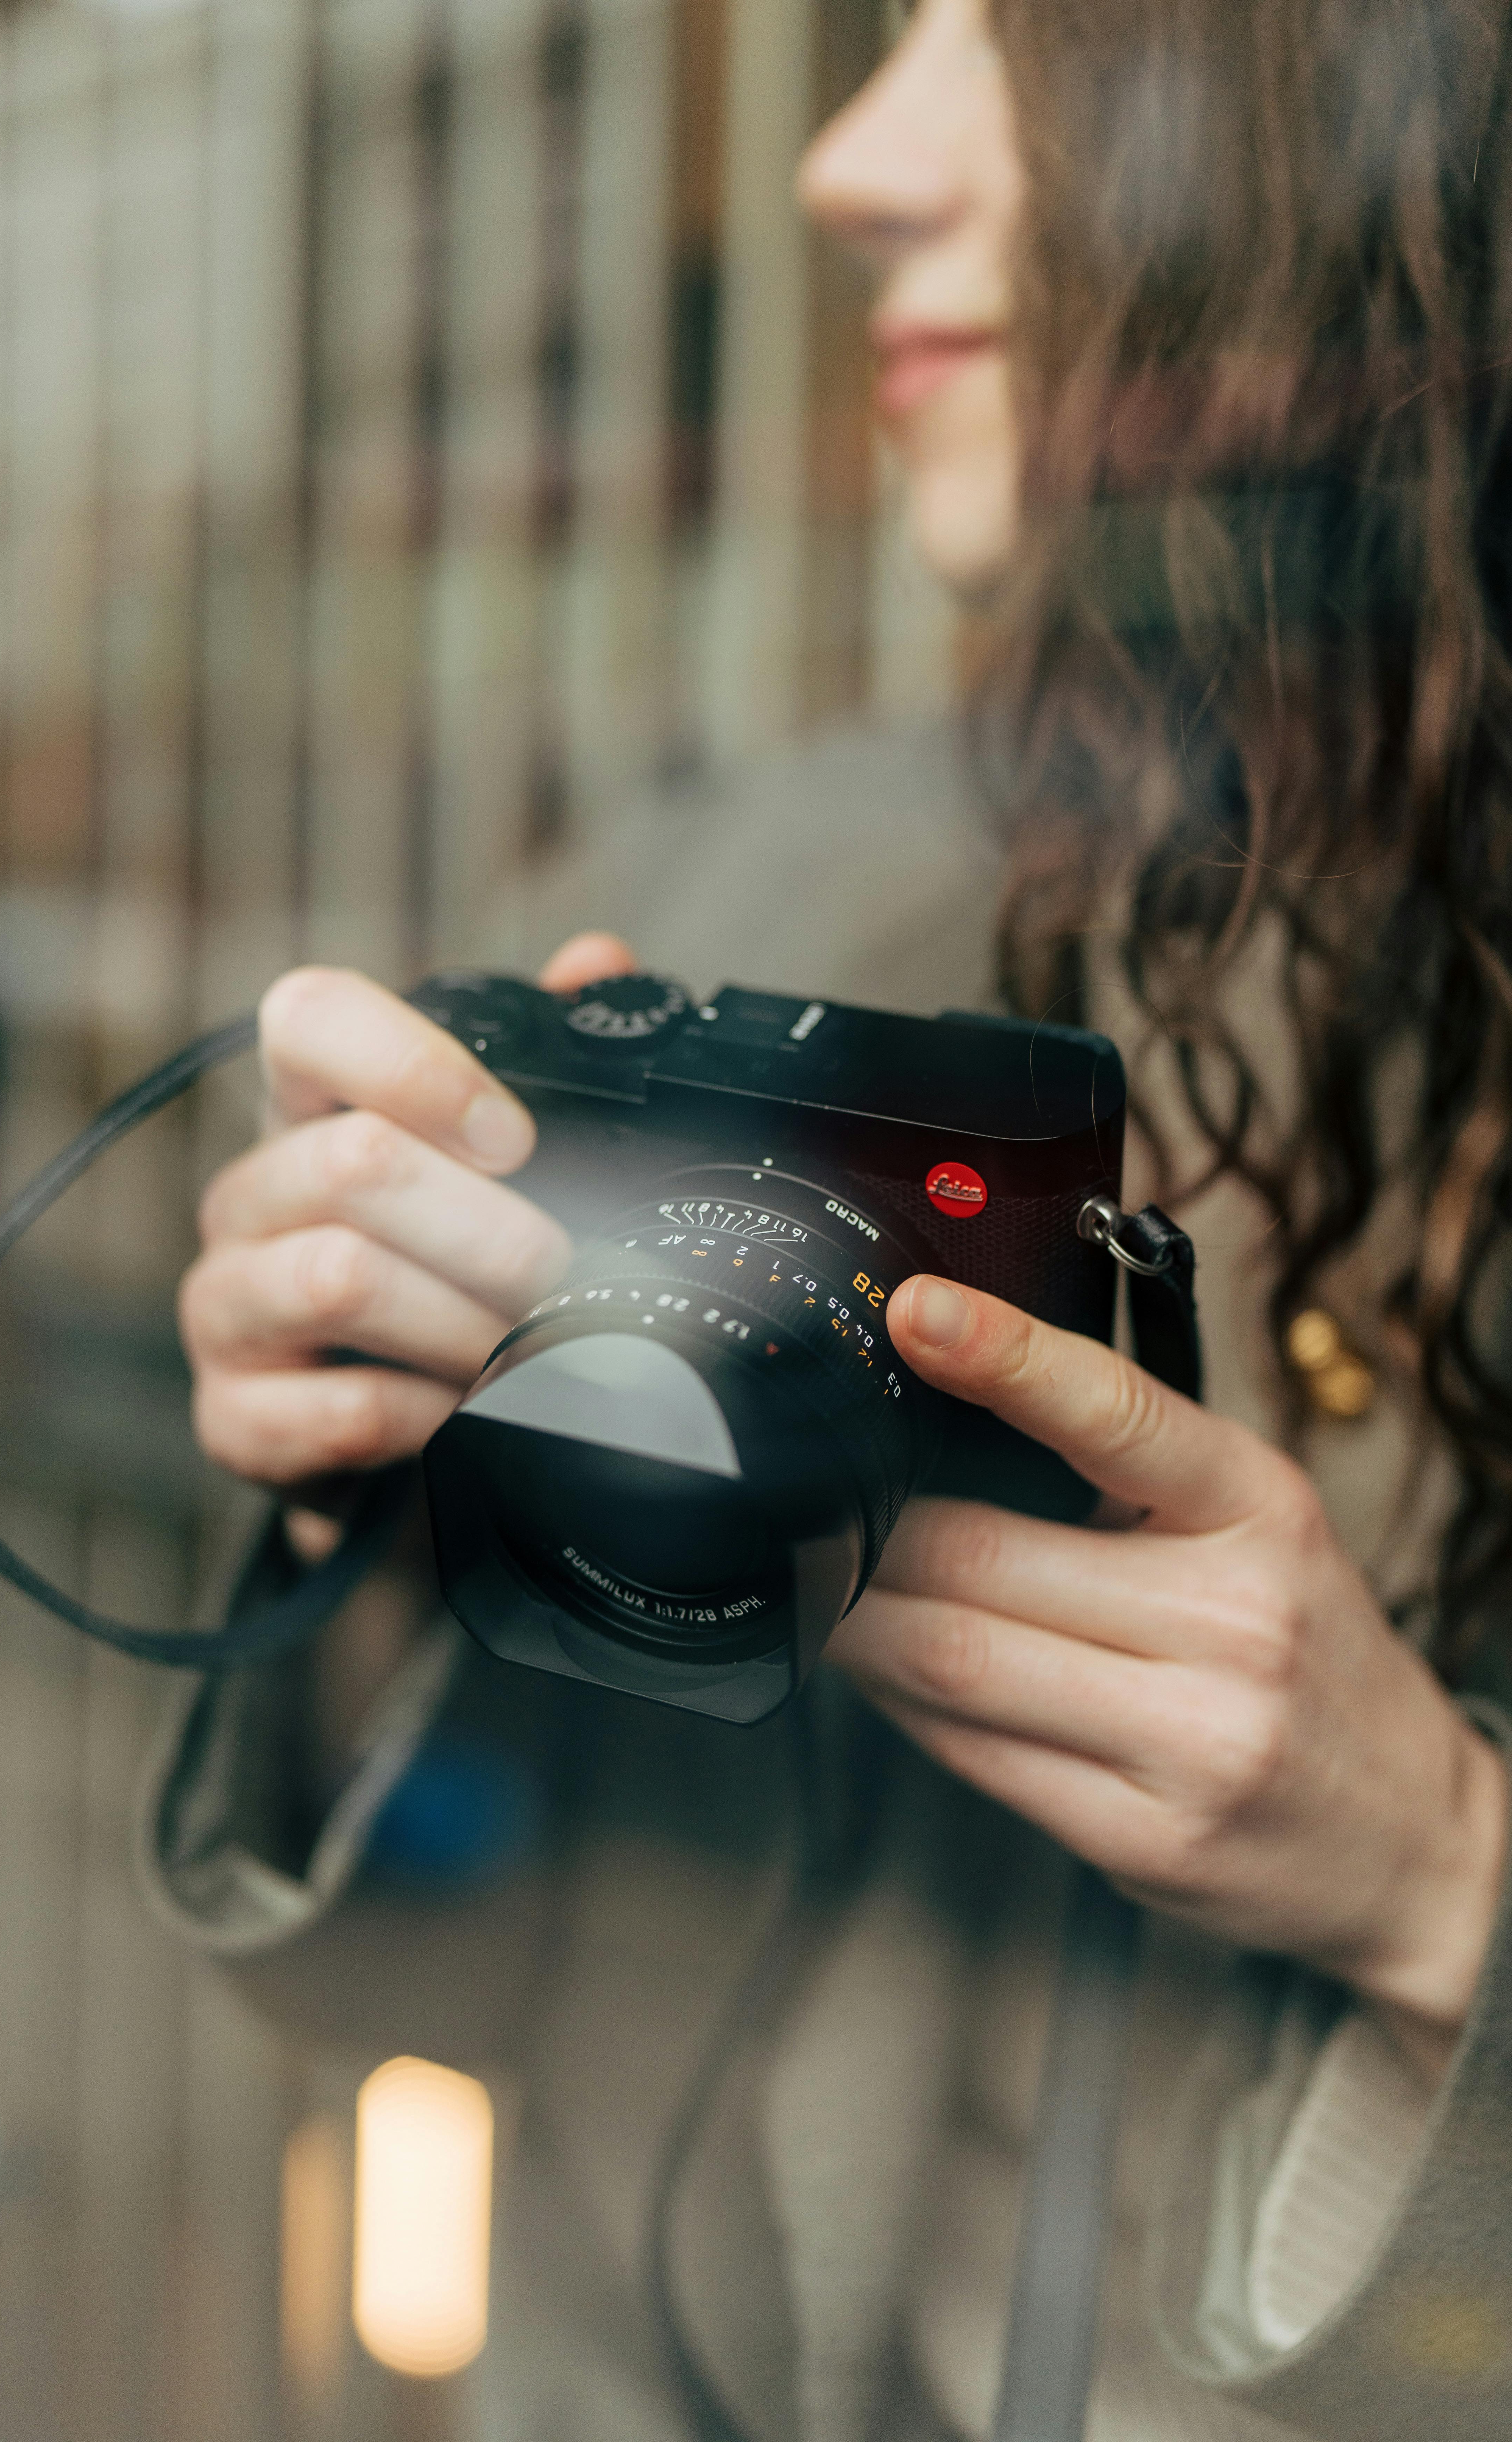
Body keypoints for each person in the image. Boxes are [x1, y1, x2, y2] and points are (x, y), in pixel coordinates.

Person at [154, 2, 1512, 2435]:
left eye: (1038, 37)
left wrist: (1443, 1879)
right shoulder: (727, 899)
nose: (849, 163)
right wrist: (353, 1515)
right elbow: (397, 1990)